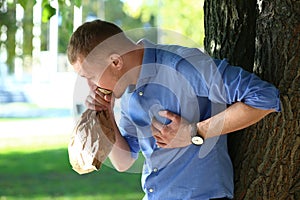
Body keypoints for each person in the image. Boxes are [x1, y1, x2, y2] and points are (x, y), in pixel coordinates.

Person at [67, 19, 281, 200]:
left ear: (115, 62)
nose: (91, 87)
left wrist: (194, 133)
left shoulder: (183, 65)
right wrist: (106, 117)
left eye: (91, 77)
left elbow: (264, 97)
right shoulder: (128, 93)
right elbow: (124, 162)